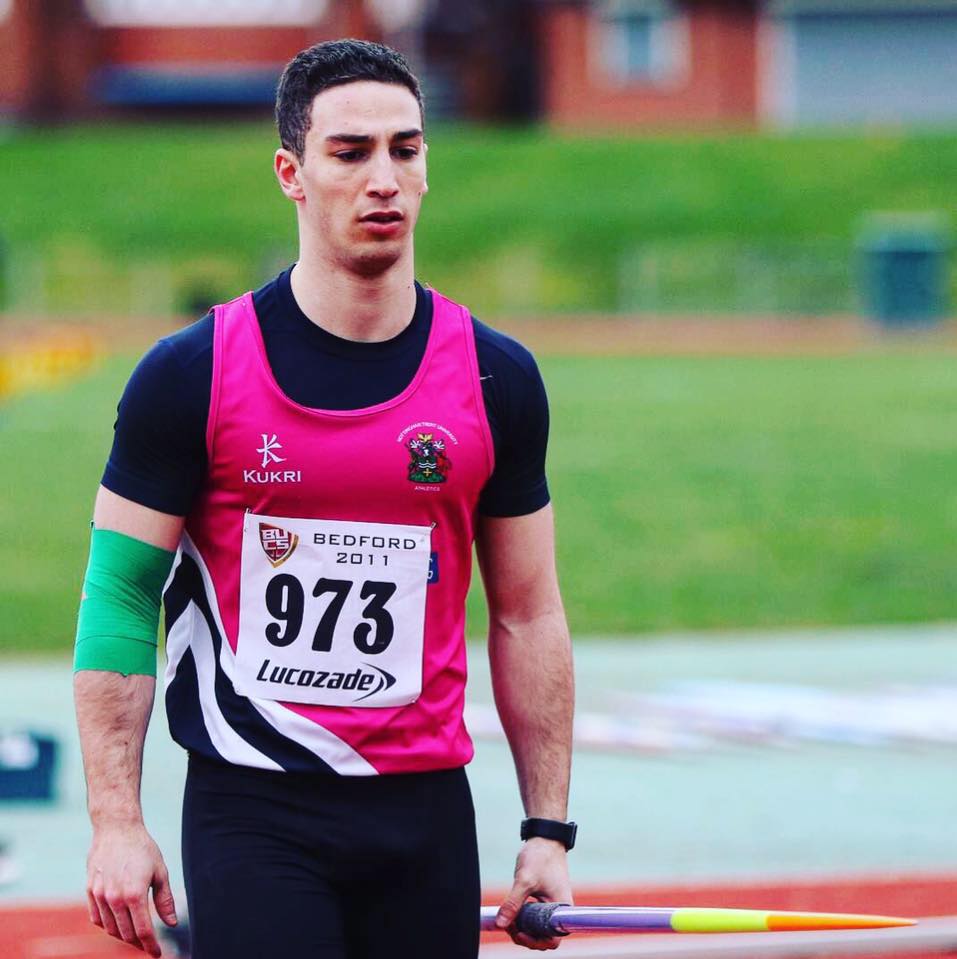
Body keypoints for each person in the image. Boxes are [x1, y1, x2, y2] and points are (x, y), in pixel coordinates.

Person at [73, 38, 574, 959]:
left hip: (424, 810)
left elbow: (527, 611)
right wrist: (116, 819)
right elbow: (120, 596)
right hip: (254, 805)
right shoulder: (191, 374)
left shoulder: (495, 377)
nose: (383, 179)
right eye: (350, 152)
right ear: (291, 174)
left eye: (405, 149)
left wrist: (548, 826)